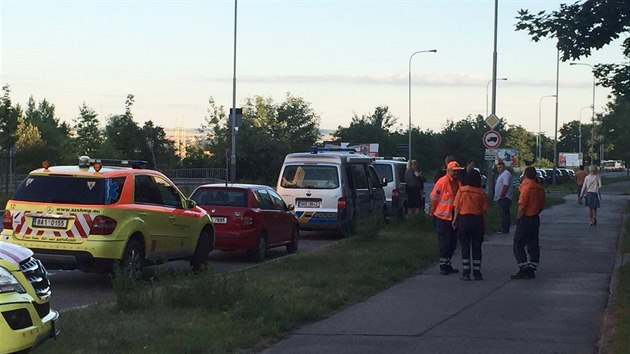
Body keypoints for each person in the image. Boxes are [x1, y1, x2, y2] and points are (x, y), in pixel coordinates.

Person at [452, 168, 488, 281]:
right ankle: (477, 273)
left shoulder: (462, 190)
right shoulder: (481, 192)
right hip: (477, 220)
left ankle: (466, 273)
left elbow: (457, 206)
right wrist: (484, 223)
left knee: (465, 247)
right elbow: (484, 211)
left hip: (464, 220)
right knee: (477, 247)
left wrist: (454, 219)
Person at [511, 166, 545, 280]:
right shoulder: (540, 188)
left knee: (518, 244)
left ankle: (523, 268)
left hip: (526, 218)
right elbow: (541, 206)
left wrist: (518, 218)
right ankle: (532, 267)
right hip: (535, 218)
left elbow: (522, 206)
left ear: (525, 175)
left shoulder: (527, 188)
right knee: (533, 244)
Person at [430, 160, 463, 275]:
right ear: (448, 170)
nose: (456, 173)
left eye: (457, 171)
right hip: (443, 217)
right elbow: (434, 198)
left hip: (454, 216)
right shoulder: (442, 182)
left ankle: (447, 264)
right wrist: (433, 211)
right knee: (445, 242)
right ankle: (443, 265)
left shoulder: (458, 182)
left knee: (453, 242)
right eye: (454, 171)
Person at [494, 161, 514, 234]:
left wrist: (502, 195)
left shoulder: (506, 174)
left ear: (504, 167)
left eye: (500, 167)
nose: (499, 169)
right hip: (502, 197)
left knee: (505, 213)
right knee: (503, 213)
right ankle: (504, 228)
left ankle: (505, 229)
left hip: (505, 198)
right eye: (498, 168)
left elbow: (506, 185)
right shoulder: (502, 174)